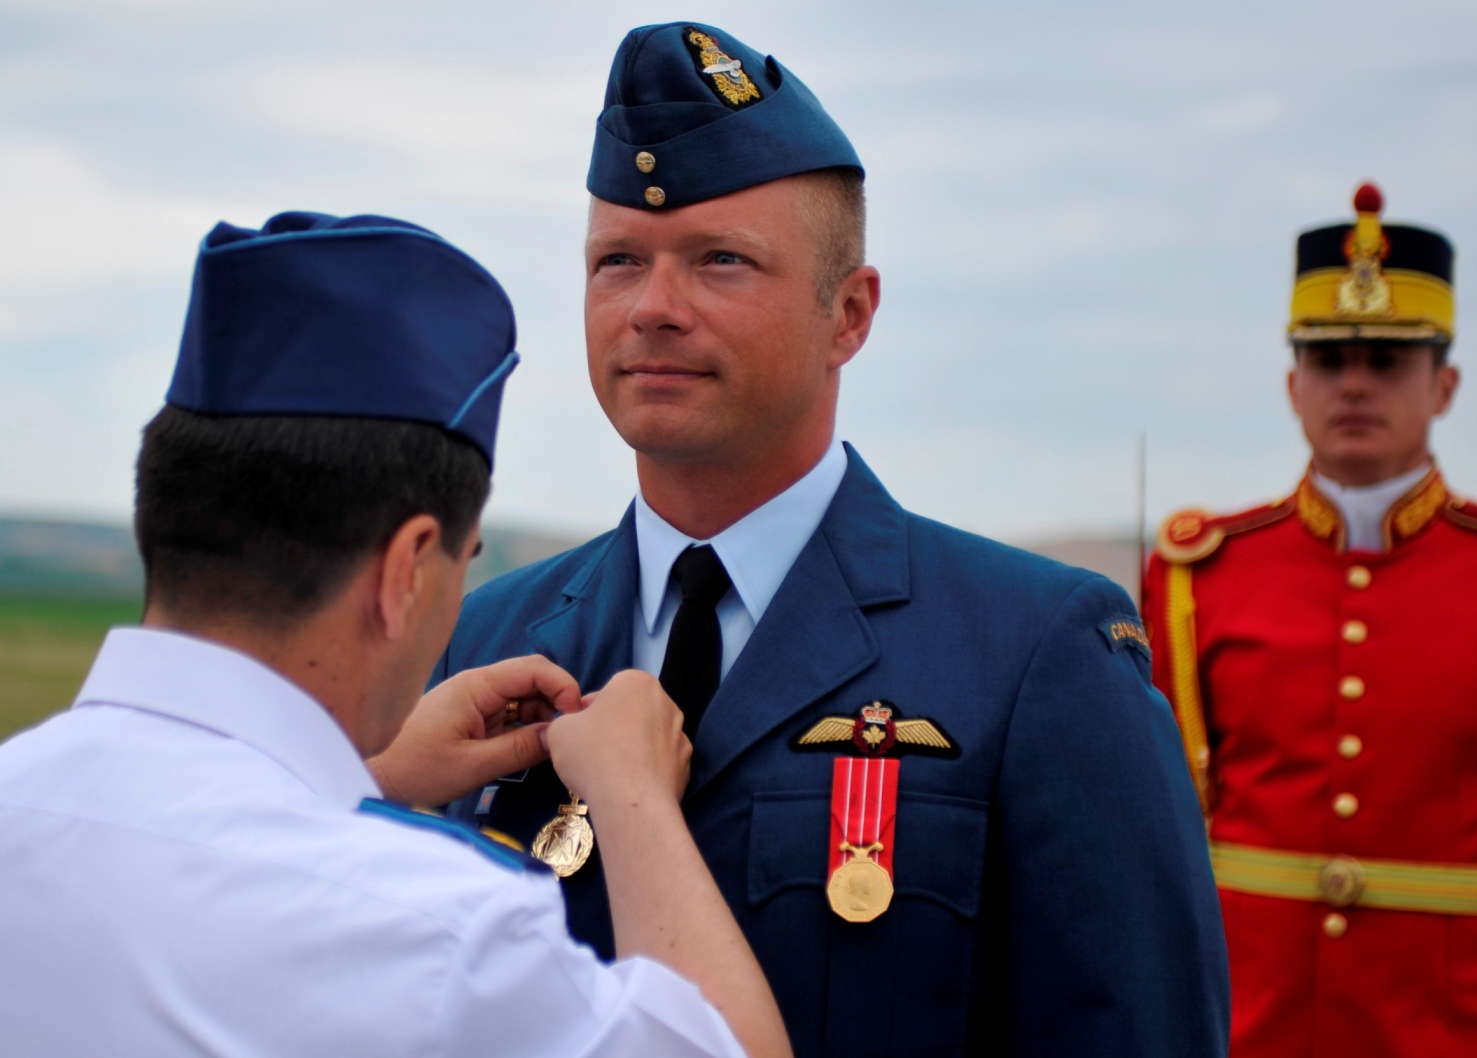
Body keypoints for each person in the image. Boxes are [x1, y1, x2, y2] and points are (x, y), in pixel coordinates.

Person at [432, 22, 1229, 1058]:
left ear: (848, 314)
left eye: (719, 262)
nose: (652, 309)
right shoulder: (483, 642)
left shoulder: (1033, 655)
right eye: (617, 261)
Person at [0, 211, 791, 1058]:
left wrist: (364, 776)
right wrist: (634, 799)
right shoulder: (437, 928)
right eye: (464, 560)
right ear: (406, 569)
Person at [1143, 183, 1477, 1057]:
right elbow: (1152, 853)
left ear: (1445, 385)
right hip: (1242, 1028)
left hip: (1456, 1030)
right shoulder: (1195, 575)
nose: (1353, 382)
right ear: (1291, 383)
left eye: (1386, 360)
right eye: (1328, 358)